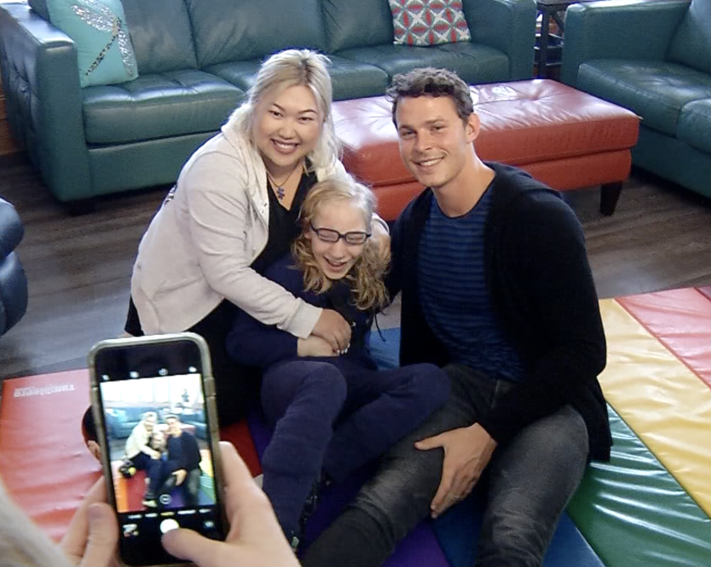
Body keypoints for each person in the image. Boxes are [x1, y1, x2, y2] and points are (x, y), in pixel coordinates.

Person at [301, 68, 612, 567]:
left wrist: (486, 434)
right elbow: (367, 297)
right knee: (380, 502)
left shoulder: (539, 217)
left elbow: (585, 352)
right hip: (459, 387)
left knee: (512, 533)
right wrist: (303, 301)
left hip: (548, 399)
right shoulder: (417, 220)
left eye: (437, 127)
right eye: (408, 132)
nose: (422, 145)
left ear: (471, 127)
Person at [126, 49, 389, 424]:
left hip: (262, 294)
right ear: (254, 107)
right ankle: (116, 399)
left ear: (322, 121)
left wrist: (376, 229)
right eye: (276, 113)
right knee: (222, 405)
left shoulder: (319, 157)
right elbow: (225, 274)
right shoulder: (217, 166)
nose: (288, 131)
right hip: (198, 302)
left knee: (277, 378)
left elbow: (350, 203)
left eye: (305, 118)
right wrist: (310, 319)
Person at [226, 175, 450, 550]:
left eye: (353, 238)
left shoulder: (366, 269)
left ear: (367, 237)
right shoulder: (286, 274)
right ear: (307, 230)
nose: (339, 251)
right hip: (294, 384)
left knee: (432, 380)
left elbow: (401, 246)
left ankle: (321, 471)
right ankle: (277, 526)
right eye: (327, 235)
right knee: (326, 380)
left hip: (349, 385)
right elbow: (240, 342)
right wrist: (303, 346)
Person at [0, 439, 300, 567]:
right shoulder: (150, 439)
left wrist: (181, 467)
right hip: (160, 466)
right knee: (153, 466)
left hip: (180, 469)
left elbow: (187, 460)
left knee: (172, 474)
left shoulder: (182, 440)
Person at [144, 415, 202, 509]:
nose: (171, 426)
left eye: (173, 423)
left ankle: (195, 512)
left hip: (192, 468)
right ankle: (156, 505)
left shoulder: (189, 437)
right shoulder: (169, 439)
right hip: (177, 468)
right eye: (168, 424)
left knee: (191, 490)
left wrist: (183, 470)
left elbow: (197, 458)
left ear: (179, 423)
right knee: (167, 485)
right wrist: (158, 441)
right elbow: (166, 454)